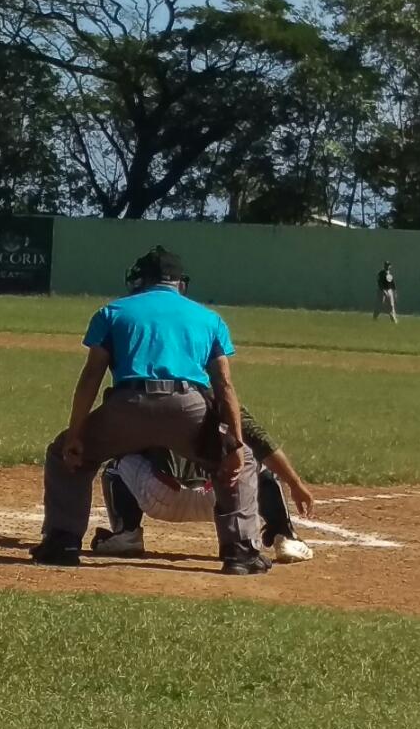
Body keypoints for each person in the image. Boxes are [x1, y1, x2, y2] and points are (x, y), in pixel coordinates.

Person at [32, 245, 269, 574]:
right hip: (189, 407)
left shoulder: (112, 312)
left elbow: (90, 378)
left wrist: (76, 435)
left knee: (64, 455)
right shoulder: (209, 318)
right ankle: (240, 551)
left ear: (141, 280)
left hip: (128, 404)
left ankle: (62, 542)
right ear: (179, 283)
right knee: (237, 466)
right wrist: (235, 445)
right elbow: (225, 387)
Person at [92, 404, 316, 564]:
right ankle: (285, 537)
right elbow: (265, 445)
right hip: (220, 498)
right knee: (256, 462)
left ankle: (126, 533)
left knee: (116, 465)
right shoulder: (221, 400)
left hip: (159, 496)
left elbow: (112, 444)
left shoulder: (145, 401)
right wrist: (295, 484)